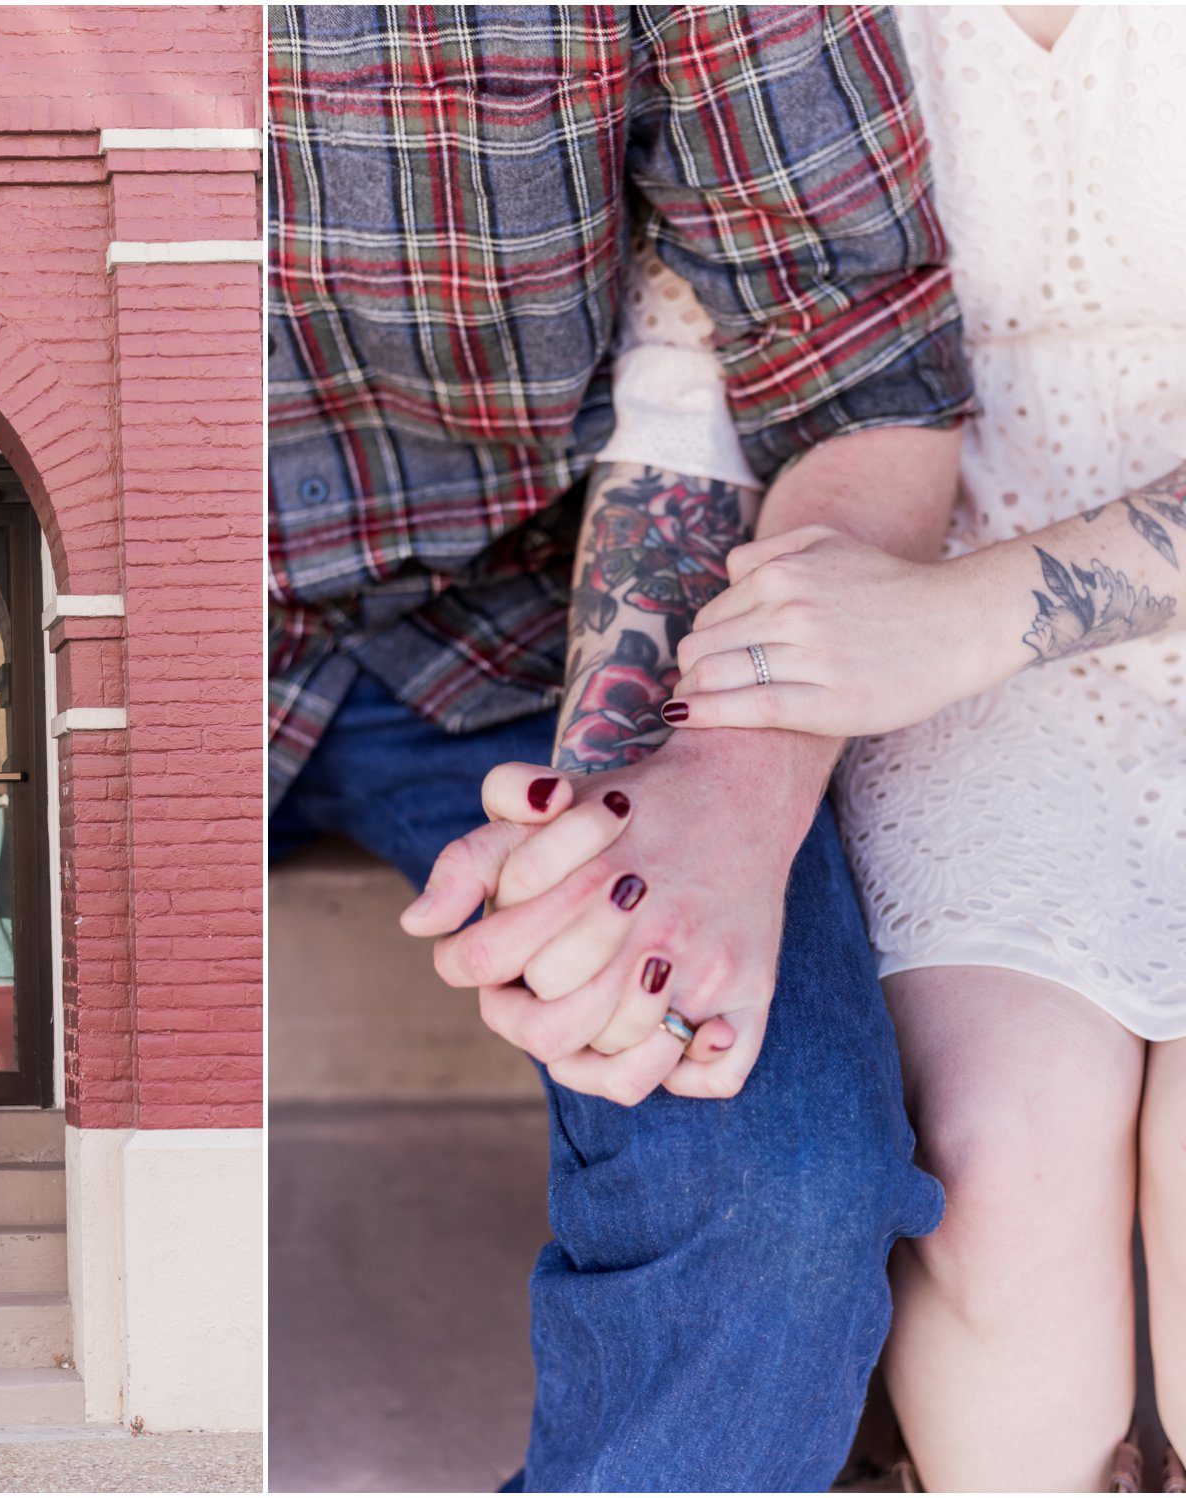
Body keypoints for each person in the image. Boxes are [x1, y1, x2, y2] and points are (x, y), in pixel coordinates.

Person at [268, 5, 975, 1490]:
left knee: (777, 1190)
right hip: (94, 634)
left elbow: (855, 353)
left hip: (529, 611)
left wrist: (726, 785)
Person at [634, 7, 1186, 1491]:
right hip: (924, 629)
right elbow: (686, 353)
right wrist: (666, 736)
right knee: (1000, 1157)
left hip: (1048, 621)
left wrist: (959, 621)